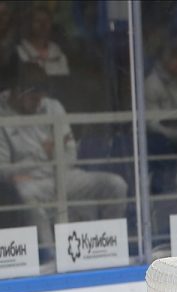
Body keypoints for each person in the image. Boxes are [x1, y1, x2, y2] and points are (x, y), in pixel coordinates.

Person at [0, 63, 127, 250]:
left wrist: (53, 154)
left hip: (64, 175)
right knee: (25, 194)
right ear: (17, 91)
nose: (38, 102)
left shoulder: (53, 107)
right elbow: (3, 168)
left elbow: (71, 155)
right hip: (31, 183)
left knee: (115, 184)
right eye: (33, 97)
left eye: (41, 97)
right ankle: (52, 257)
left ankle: (110, 247)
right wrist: (40, 157)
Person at [16, 4, 67, 77]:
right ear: (30, 23)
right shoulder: (19, 52)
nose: (43, 24)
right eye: (38, 21)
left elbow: (65, 80)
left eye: (47, 20)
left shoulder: (58, 51)